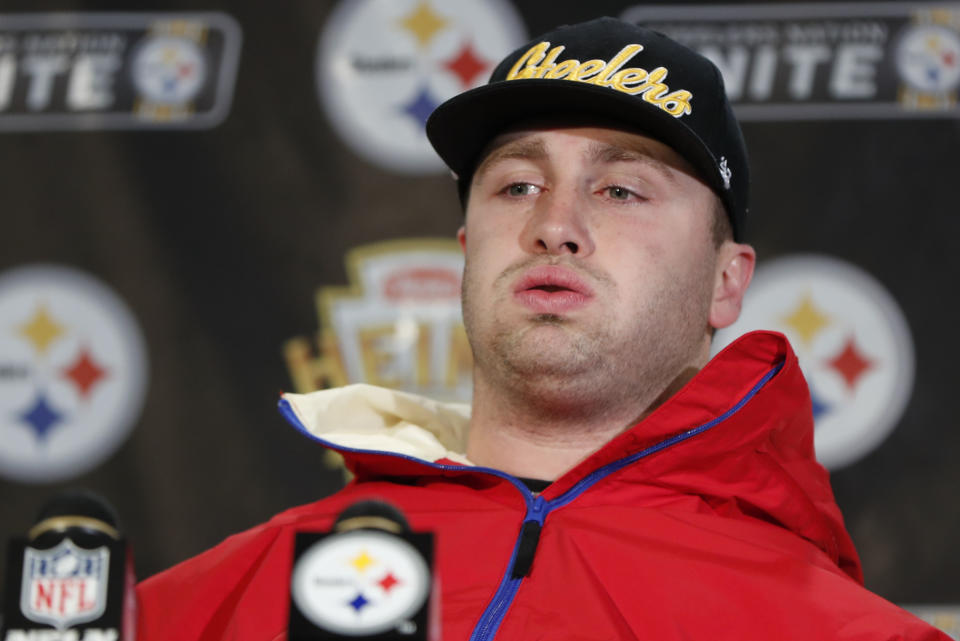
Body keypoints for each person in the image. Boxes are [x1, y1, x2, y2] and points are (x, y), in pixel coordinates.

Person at [136, 17, 948, 640]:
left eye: (622, 189)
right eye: (518, 185)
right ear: (466, 251)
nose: (555, 226)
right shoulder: (219, 601)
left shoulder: (835, 630)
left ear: (725, 280)